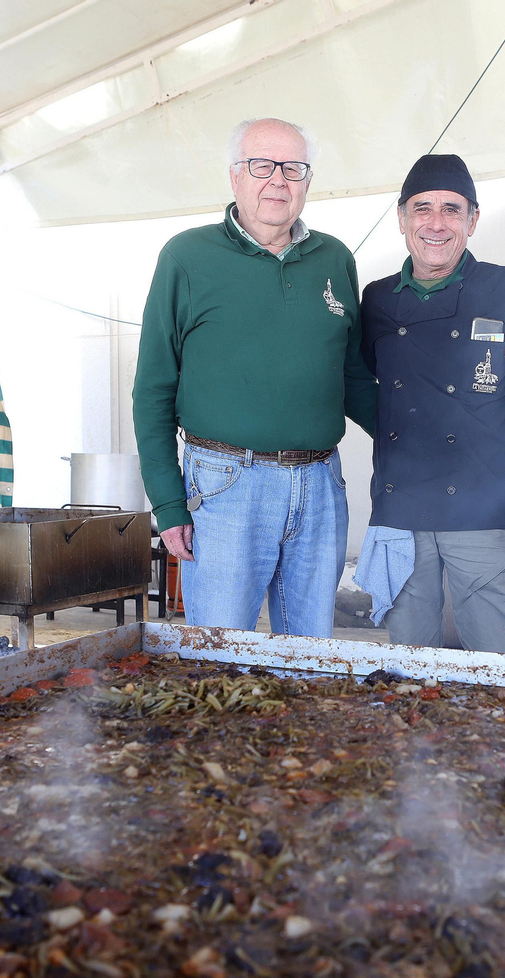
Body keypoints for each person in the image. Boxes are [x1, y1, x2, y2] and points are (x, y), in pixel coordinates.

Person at [132, 117, 377, 637]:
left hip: (319, 485)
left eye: (293, 168)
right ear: (235, 177)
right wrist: (168, 502)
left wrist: (419, 437)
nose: (278, 180)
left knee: (311, 660)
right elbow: (153, 388)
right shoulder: (187, 257)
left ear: (308, 182)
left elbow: (352, 376)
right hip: (224, 487)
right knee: (219, 657)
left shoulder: (333, 259)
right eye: (261, 165)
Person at [357, 154, 505, 653]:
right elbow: (354, 386)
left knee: (495, 662)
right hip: (400, 513)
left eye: (451, 210)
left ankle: (493, 735)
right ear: (401, 218)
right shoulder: (375, 300)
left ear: (473, 220)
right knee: (406, 664)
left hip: (481, 513)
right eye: (422, 208)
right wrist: (399, 431)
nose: (436, 224)